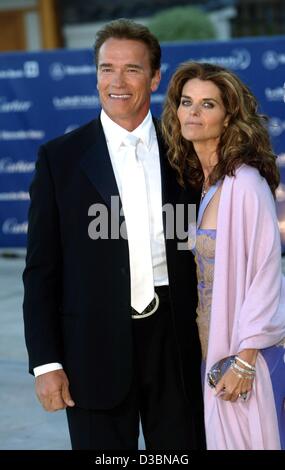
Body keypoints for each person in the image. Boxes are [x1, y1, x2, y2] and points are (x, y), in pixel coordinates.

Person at [23, 20, 205, 450]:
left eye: (132, 70)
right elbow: (41, 271)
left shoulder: (187, 152)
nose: (117, 82)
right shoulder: (60, 159)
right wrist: (46, 362)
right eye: (107, 69)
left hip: (175, 346)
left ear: (156, 77)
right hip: (92, 350)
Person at [162, 61, 285, 450]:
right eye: (186, 102)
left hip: (246, 360)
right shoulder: (203, 184)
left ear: (229, 115)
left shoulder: (245, 183)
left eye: (207, 104)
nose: (193, 113)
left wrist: (245, 360)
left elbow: (266, 275)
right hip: (212, 353)